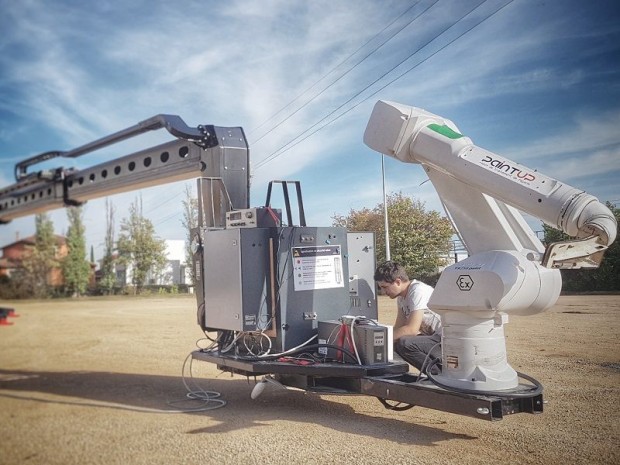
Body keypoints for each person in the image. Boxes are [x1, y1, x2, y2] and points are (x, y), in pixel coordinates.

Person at [374, 260, 442, 375]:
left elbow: (411, 329)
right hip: (434, 340)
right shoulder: (401, 298)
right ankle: (435, 373)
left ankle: (437, 375)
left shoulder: (417, 291)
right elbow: (400, 328)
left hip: (446, 340)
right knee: (398, 342)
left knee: (405, 343)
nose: (383, 292)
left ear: (398, 282)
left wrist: (380, 341)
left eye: (385, 287)